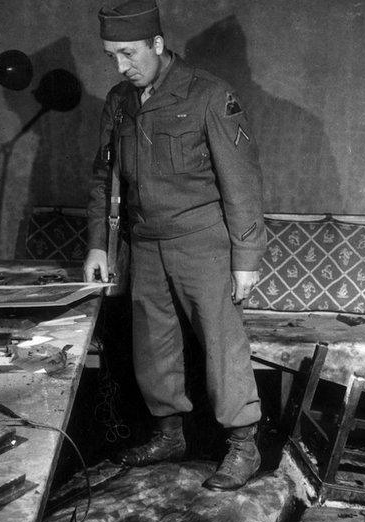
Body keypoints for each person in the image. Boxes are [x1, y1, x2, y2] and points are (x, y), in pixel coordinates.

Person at [83, 0, 265, 491]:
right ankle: (170, 434)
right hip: (144, 244)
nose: (121, 67)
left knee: (222, 345)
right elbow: (104, 177)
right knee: (152, 344)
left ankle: (244, 445)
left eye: (128, 54)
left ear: (158, 45)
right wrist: (98, 246)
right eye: (111, 56)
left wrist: (245, 260)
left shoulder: (209, 95)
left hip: (202, 242)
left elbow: (242, 184)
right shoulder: (119, 101)